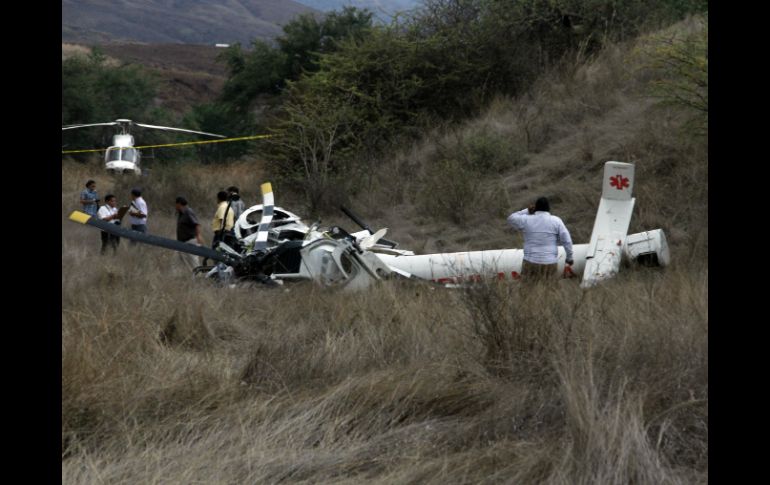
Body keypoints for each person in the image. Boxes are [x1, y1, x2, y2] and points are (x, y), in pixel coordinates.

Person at [507, 196, 574, 281]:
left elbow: (511, 218)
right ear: (548, 208)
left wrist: (527, 211)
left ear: (535, 208)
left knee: (528, 291)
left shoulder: (526, 219)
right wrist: (569, 257)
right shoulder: (556, 221)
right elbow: (566, 240)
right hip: (550, 263)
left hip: (530, 262)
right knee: (549, 290)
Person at [175, 196, 204, 270]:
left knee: (193, 260)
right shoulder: (181, 213)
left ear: (179, 204)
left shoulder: (188, 212)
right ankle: (176, 277)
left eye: (176, 204)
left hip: (190, 240)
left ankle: (198, 275)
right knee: (176, 259)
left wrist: (199, 236)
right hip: (181, 242)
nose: (175, 206)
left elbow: (196, 224)